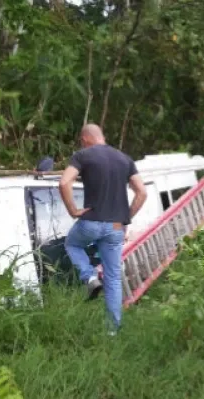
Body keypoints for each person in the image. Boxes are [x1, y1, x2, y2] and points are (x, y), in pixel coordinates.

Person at [59, 124, 148, 334]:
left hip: (91, 221)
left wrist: (73, 210)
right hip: (116, 227)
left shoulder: (82, 155)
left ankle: (89, 277)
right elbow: (142, 192)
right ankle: (112, 332)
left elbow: (64, 183)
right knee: (114, 277)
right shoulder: (125, 159)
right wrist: (125, 219)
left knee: (72, 244)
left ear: (85, 138)